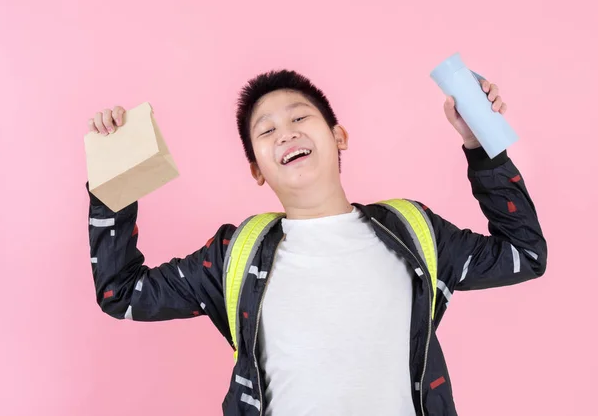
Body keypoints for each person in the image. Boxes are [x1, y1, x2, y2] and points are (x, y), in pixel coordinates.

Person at [85, 69, 547, 416]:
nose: (285, 132)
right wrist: (114, 176)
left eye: (300, 117)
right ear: (257, 171)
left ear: (338, 136)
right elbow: (121, 293)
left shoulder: (414, 230)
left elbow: (522, 255)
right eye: (265, 131)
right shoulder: (233, 256)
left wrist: (481, 141)